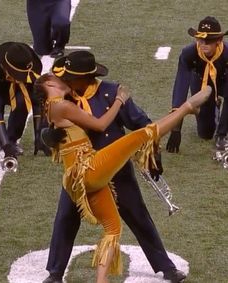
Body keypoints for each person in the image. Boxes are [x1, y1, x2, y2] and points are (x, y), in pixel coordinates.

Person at [35, 72, 211, 283]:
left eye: (71, 78)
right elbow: (91, 126)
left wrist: (153, 154)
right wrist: (120, 101)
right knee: (65, 219)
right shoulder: (67, 100)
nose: (68, 82)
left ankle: (116, 277)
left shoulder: (107, 91)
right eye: (64, 79)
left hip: (103, 170)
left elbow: (138, 119)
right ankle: (187, 108)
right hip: (88, 169)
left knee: (121, 223)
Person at [166, 16, 228, 153]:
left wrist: (222, 135)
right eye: (201, 39)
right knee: (205, 133)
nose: (204, 43)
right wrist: (176, 127)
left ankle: (222, 133)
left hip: (225, 81)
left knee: (221, 133)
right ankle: (214, 108)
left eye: (209, 40)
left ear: (219, 40)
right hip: (202, 83)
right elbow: (180, 88)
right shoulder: (189, 54)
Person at [0, 41, 50, 161]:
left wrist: (39, 133)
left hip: (10, 86)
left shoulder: (30, 65)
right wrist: (5, 146)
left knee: (22, 101)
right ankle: (2, 140)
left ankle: (12, 138)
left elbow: (37, 99)